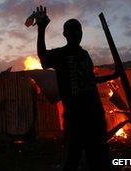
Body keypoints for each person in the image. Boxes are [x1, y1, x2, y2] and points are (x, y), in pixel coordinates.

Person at [34, 6, 118, 171]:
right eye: (72, 31)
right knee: (72, 159)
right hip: (75, 119)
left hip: (95, 117)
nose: (76, 34)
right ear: (65, 34)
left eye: (78, 30)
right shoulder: (61, 55)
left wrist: (113, 76)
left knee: (100, 160)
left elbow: (90, 80)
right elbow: (43, 57)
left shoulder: (85, 55)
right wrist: (41, 28)